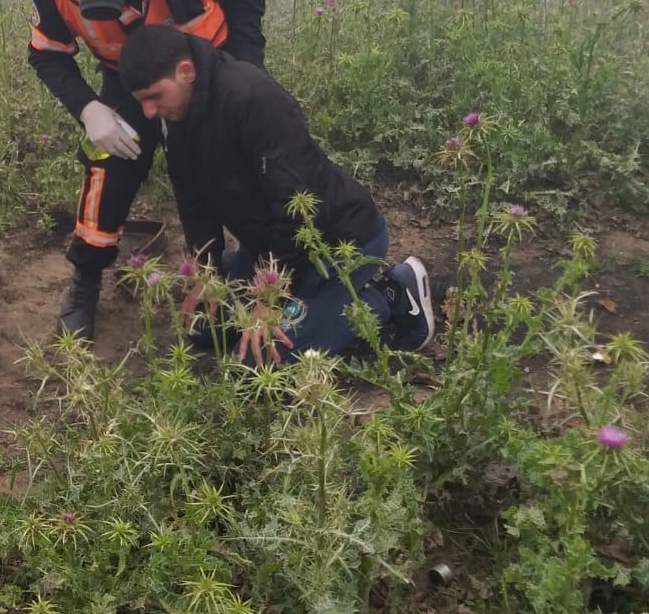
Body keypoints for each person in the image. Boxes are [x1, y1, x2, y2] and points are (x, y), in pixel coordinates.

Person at [29, 0, 267, 340]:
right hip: (128, 81)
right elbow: (47, 53)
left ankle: (235, 272)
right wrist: (88, 108)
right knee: (107, 165)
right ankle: (86, 278)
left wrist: (246, 76)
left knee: (216, 170)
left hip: (207, 75)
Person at [118, 25, 437, 364]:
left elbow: (297, 206)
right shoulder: (175, 114)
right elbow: (192, 198)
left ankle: (387, 297)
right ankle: (315, 306)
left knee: (259, 361)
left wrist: (270, 296)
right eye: (142, 102)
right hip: (267, 245)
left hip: (334, 242)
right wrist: (208, 272)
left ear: (186, 71)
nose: (148, 112)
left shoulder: (254, 100)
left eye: (154, 97)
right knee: (205, 327)